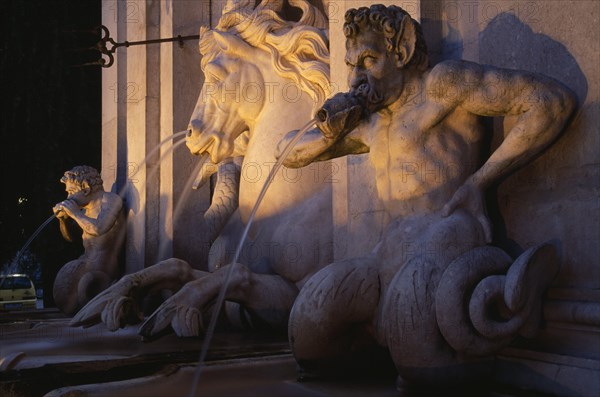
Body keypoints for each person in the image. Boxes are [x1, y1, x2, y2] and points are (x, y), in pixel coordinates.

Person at [279, 4, 576, 384]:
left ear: (400, 51)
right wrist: (329, 128)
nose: (356, 77)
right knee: (310, 340)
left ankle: (478, 321)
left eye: (369, 60)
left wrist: (479, 182)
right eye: (351, 65)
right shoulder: (369, 121)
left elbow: (550, 102)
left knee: (420, 363)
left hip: (448, 236)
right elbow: (286, 155)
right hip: (387, 251)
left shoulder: (441, 86)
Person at [52, 165, 125, 315]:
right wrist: (63, 221)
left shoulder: (110, 200)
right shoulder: (85, 210)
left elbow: (99, 229)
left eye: (71, 192)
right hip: (86, 264)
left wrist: (74, 214)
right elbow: (69, 238)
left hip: (103, 272)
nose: (68, 198)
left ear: (85, 188)